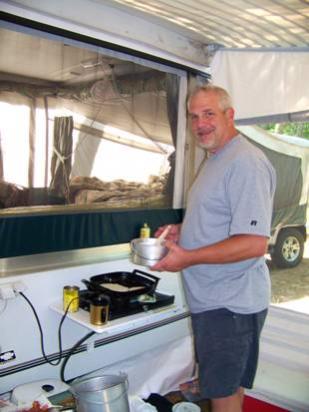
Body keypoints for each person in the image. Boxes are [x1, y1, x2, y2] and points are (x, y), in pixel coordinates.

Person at [152, 84, 276, 412]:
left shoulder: (245, 162)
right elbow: (223, 219)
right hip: (217, 301)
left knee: (222, 394)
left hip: (230, 304)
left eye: (209, 114)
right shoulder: (216, 158)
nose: (200, 123)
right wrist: (183, 230)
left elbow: (253, 243)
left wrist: (188, 257)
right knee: (227, 387)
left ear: (229, 115)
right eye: (194, 117)